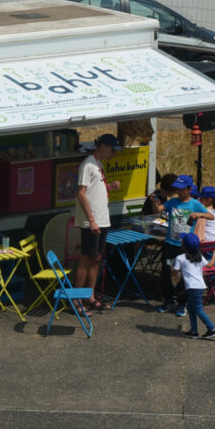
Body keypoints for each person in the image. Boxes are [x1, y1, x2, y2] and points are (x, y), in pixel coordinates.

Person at [73, 133, 122, 314]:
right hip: (91, 222)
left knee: (97, 258)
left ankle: (90, 297)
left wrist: (108, 188)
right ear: (102, 146)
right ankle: (76, 301)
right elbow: (81, 193)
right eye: (112, 150)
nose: (113, 154)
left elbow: (94, 190)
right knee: (86, 259)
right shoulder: (88, 164)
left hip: (102, 220)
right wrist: (92, 220)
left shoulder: (98, 164)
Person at [158, 174, 211, 315]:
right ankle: (168, 301)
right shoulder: (173, 201)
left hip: (184, 246)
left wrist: (198, 215)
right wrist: (154, 200)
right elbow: (159, 209)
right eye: (177, 189)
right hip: (170, 244)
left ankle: (182, 304)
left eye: (182, 189)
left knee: (183, 275)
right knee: (167, 273)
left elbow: (211, 216)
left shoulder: (194, 203)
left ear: (189, 189)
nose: (179, 192)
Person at [172, 233, 215, 340]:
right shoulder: (199, 256)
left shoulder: (180, 258)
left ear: (183, 245)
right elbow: (210, 265)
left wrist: (172, 269)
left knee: (198, 309)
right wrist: (214, 255)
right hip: (200, 286)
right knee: (191, 308)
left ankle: (212, 329)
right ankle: (193, 331)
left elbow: (174, 273)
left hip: (193, 287)